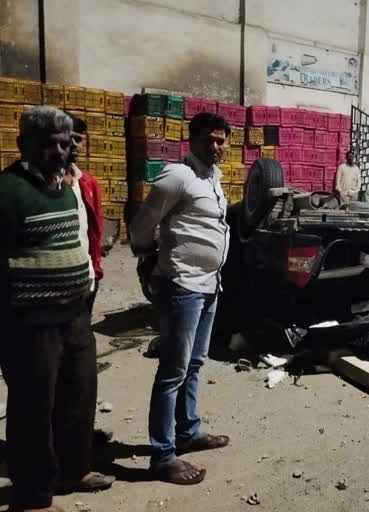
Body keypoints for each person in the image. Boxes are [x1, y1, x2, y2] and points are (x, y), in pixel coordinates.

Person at [0, 106, 114, 512]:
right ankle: (33, 496)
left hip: (75, 314)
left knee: (79, 396)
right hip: (30, 324)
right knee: (33, 408)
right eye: (49, 144)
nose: (60, 152)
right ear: (23, 145)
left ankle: (75, 469)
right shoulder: (8, 192)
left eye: (65, 144)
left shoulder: (65, 187)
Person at [130, 112, 232, 486]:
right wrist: (146, 256)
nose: (216, 147)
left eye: (221, 141)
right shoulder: (178, 176)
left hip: (209, 285)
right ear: (192, 140)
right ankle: (162, 454)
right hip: (182, 287)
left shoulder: (212, 179)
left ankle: (187, 432)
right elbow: (143, 222)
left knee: (195, 363)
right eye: (209, 140)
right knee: (172, 370)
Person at [63, 114, 104, 316]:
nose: (73, 144)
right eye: (68, 138)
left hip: (87, 274)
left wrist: (96, 269)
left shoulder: (87, 182)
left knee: (81, 335)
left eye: (78, 139)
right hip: (57, 281)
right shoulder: (43, 183)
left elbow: (95, 229)